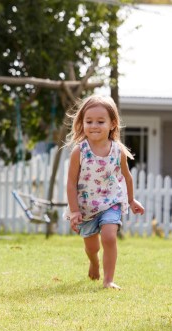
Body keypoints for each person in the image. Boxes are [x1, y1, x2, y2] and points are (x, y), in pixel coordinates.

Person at [64, 95, 145, 290]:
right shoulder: (80, 151)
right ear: (82, 123)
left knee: (109, 237)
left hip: (111, 201)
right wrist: (74, 211)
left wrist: (132, 200)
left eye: (100, 121)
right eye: (89, 121)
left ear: (112, 124)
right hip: (85, 207)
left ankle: (108, 280)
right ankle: (94, 262)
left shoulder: (118, 150)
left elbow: (127, 177)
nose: (94, 126)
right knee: (92, 247)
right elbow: (71, 182)